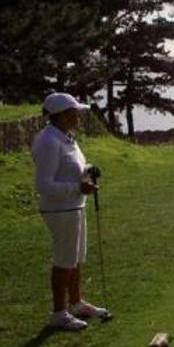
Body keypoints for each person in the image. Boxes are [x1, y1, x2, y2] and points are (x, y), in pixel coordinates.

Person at [32, 92, 108, 331]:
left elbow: (72, 167)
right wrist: (78, 186)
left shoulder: (66, 137)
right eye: (74, 111)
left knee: (75, 258)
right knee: (64, 260)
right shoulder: (48, 141)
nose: (78, 114)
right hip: (60, 209)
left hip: (75, 205)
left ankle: (76, 303)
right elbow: (43, 185)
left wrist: (88, 169)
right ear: (62, 115)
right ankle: (59, 312)